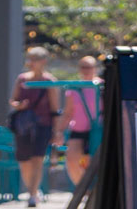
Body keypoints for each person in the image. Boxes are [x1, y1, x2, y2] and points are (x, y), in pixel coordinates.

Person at [10, 47, 58, 207]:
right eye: (29, 58)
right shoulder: (22, 79)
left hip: (43, 125)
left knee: (37, 159)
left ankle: (32, 194)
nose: (30, 62)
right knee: (24, 160)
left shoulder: (50, 81)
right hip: (23, 126)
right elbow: (13, 101)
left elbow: (54, 108)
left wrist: (57, 131)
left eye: (34, 59)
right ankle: (33, 190)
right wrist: (19, 105)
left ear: (43, 61)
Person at [61, 55, 103, 190]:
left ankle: (96, 191)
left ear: (95, 68)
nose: (86, 70)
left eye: (89, 67)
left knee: (94, 162)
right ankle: (83, 191)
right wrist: (58, 131)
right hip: (78, 129)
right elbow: (68, 112)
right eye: (83, 67)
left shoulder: (102, 86)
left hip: (98, 129)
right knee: (72, 159)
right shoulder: (74, 88)